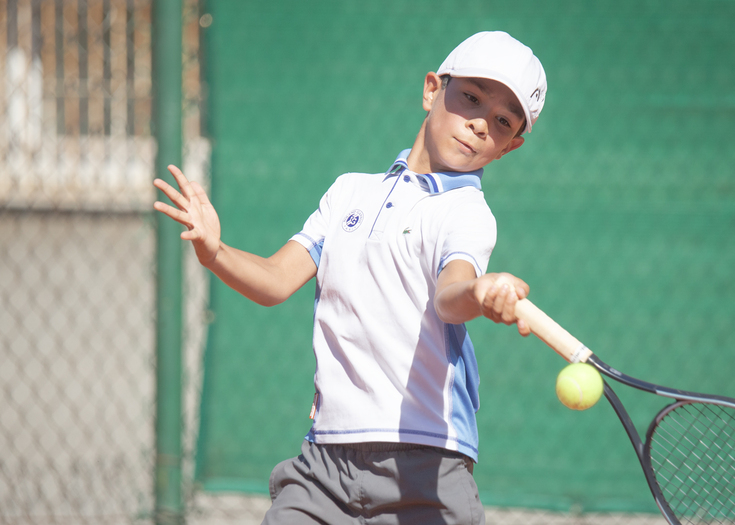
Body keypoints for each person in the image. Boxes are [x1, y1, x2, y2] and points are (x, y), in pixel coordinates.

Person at [155, 30, 547, 525]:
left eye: (502, 121)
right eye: (471, 97)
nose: (479, 124)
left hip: (425, 465)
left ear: (510, 146)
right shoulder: (346, 194)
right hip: (324, 464)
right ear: (432, 89)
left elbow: (450, 295)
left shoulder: (467, 213)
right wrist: (215, 252)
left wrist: (479, 292)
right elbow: (276, 281)